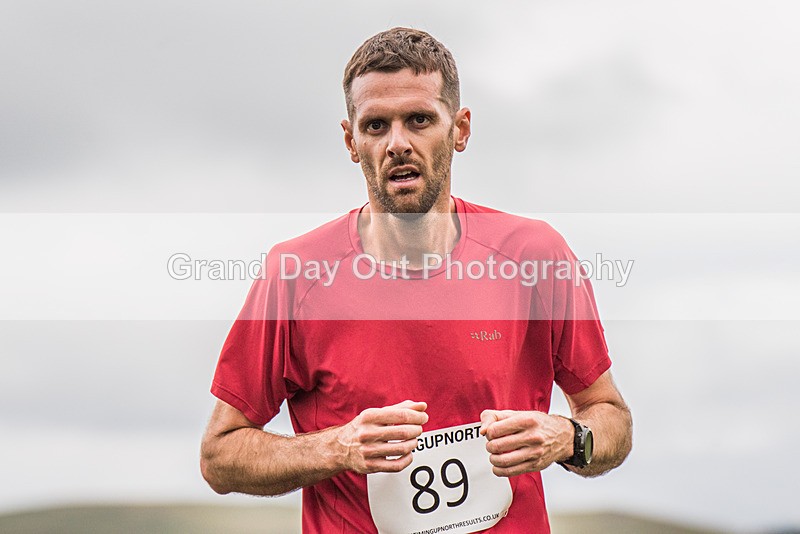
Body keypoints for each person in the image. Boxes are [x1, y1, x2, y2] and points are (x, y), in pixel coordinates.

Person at [201, 27, 632, 533]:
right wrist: (336, 447)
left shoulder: (536, 256)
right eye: (376, 125)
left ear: (461, 129)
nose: (397, 143)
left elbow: (611, 419)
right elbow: (220, 455)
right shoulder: (295, 274)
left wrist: (567, 437)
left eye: (420, 120)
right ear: (351, 141)